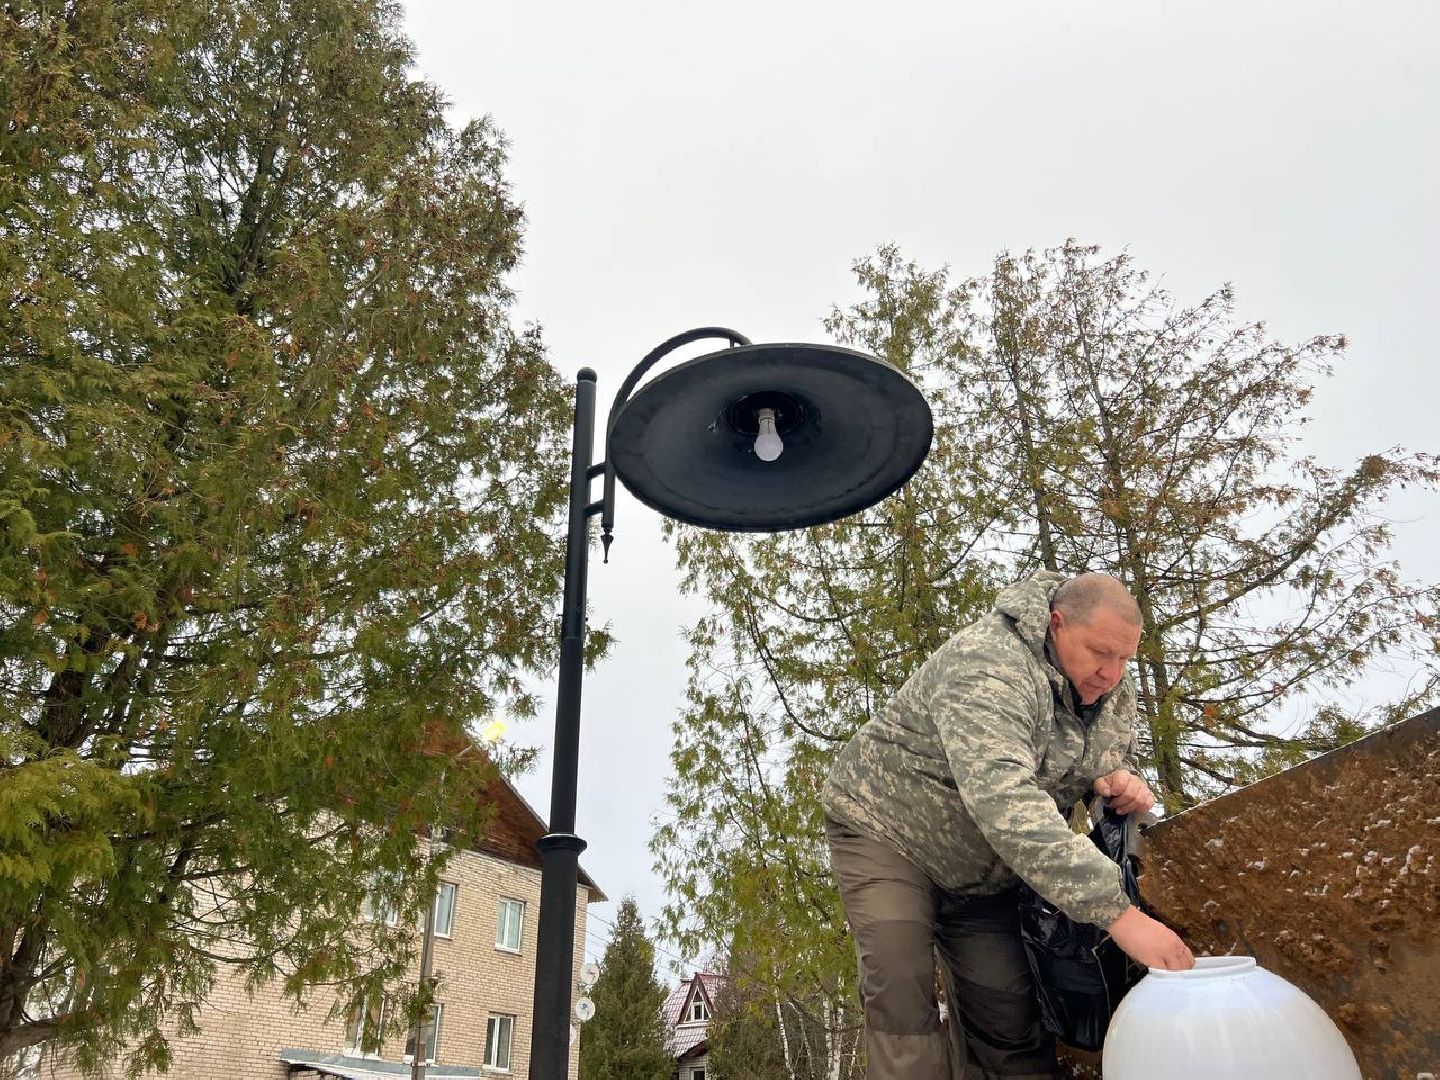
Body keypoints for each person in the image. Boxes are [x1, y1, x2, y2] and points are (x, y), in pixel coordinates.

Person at [822, 571, 1194, 1079]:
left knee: (1008, 1014)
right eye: (1100, 652)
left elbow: (1100, 759)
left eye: (1125, 658)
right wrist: (1120, 916)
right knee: (901, 987)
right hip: (889, 832)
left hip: (986, 867)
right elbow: (1005, 800)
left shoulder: (1111, 689)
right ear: (1056, 624)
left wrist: (1119, 779)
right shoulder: (989, 664)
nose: (1112, 673)